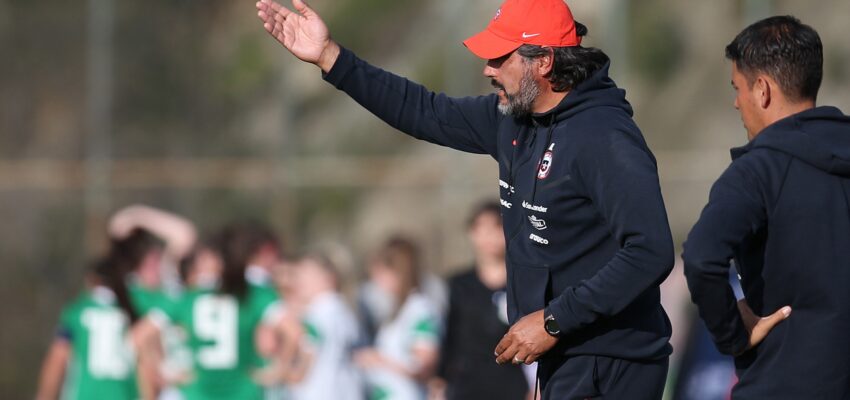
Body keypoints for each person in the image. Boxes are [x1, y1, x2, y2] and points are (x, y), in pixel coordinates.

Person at [256, 0, 674, 397]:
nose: (488, 70)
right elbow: (422, 109)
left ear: (544, 62)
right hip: (566, 353)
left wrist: (552, 321)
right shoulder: (514, 119)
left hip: (612, 359)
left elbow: (650, 251)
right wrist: (331, 57)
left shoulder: (604, 136)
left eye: (500, 58)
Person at [683, 15, 850, 399]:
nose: (735, 101)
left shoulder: (757, 171)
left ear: (762, 89)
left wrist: (732, 334)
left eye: (737, 87)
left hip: (782, 382)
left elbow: (701, 256)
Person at [138, 225, 284, 400]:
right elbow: (288, 334)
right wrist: (278, 369)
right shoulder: (252, 294)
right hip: (243, 392)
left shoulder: (186, 298)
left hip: (197, 392)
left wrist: (165, 369)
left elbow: (138, 337)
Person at [437, 201, 529, 400]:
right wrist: (440, 380)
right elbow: (450, 336)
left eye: (496, 228)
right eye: (482, 228)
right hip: (468, 385)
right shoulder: (459, 284)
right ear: (472, 233)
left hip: (513, 385)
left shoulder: (523, 283)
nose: (489, 237)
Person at [35, 256, 145, 400]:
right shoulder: (133, 312)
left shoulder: (76, 312)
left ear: (92, 280)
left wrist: (44, 396)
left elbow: (58, 358)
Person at [355, 236, 441, 400]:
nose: (375, 282)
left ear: (397, 273)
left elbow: (423, 368)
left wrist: (378, 359)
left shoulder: (420, 310)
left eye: (379, 274)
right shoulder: (398, 310)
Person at [285, 252, 362, 400]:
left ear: (329, 278)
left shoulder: (319, 315)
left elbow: (300, 371)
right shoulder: (341, 309)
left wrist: (279, 372)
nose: (299, 281)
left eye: (307, 275)